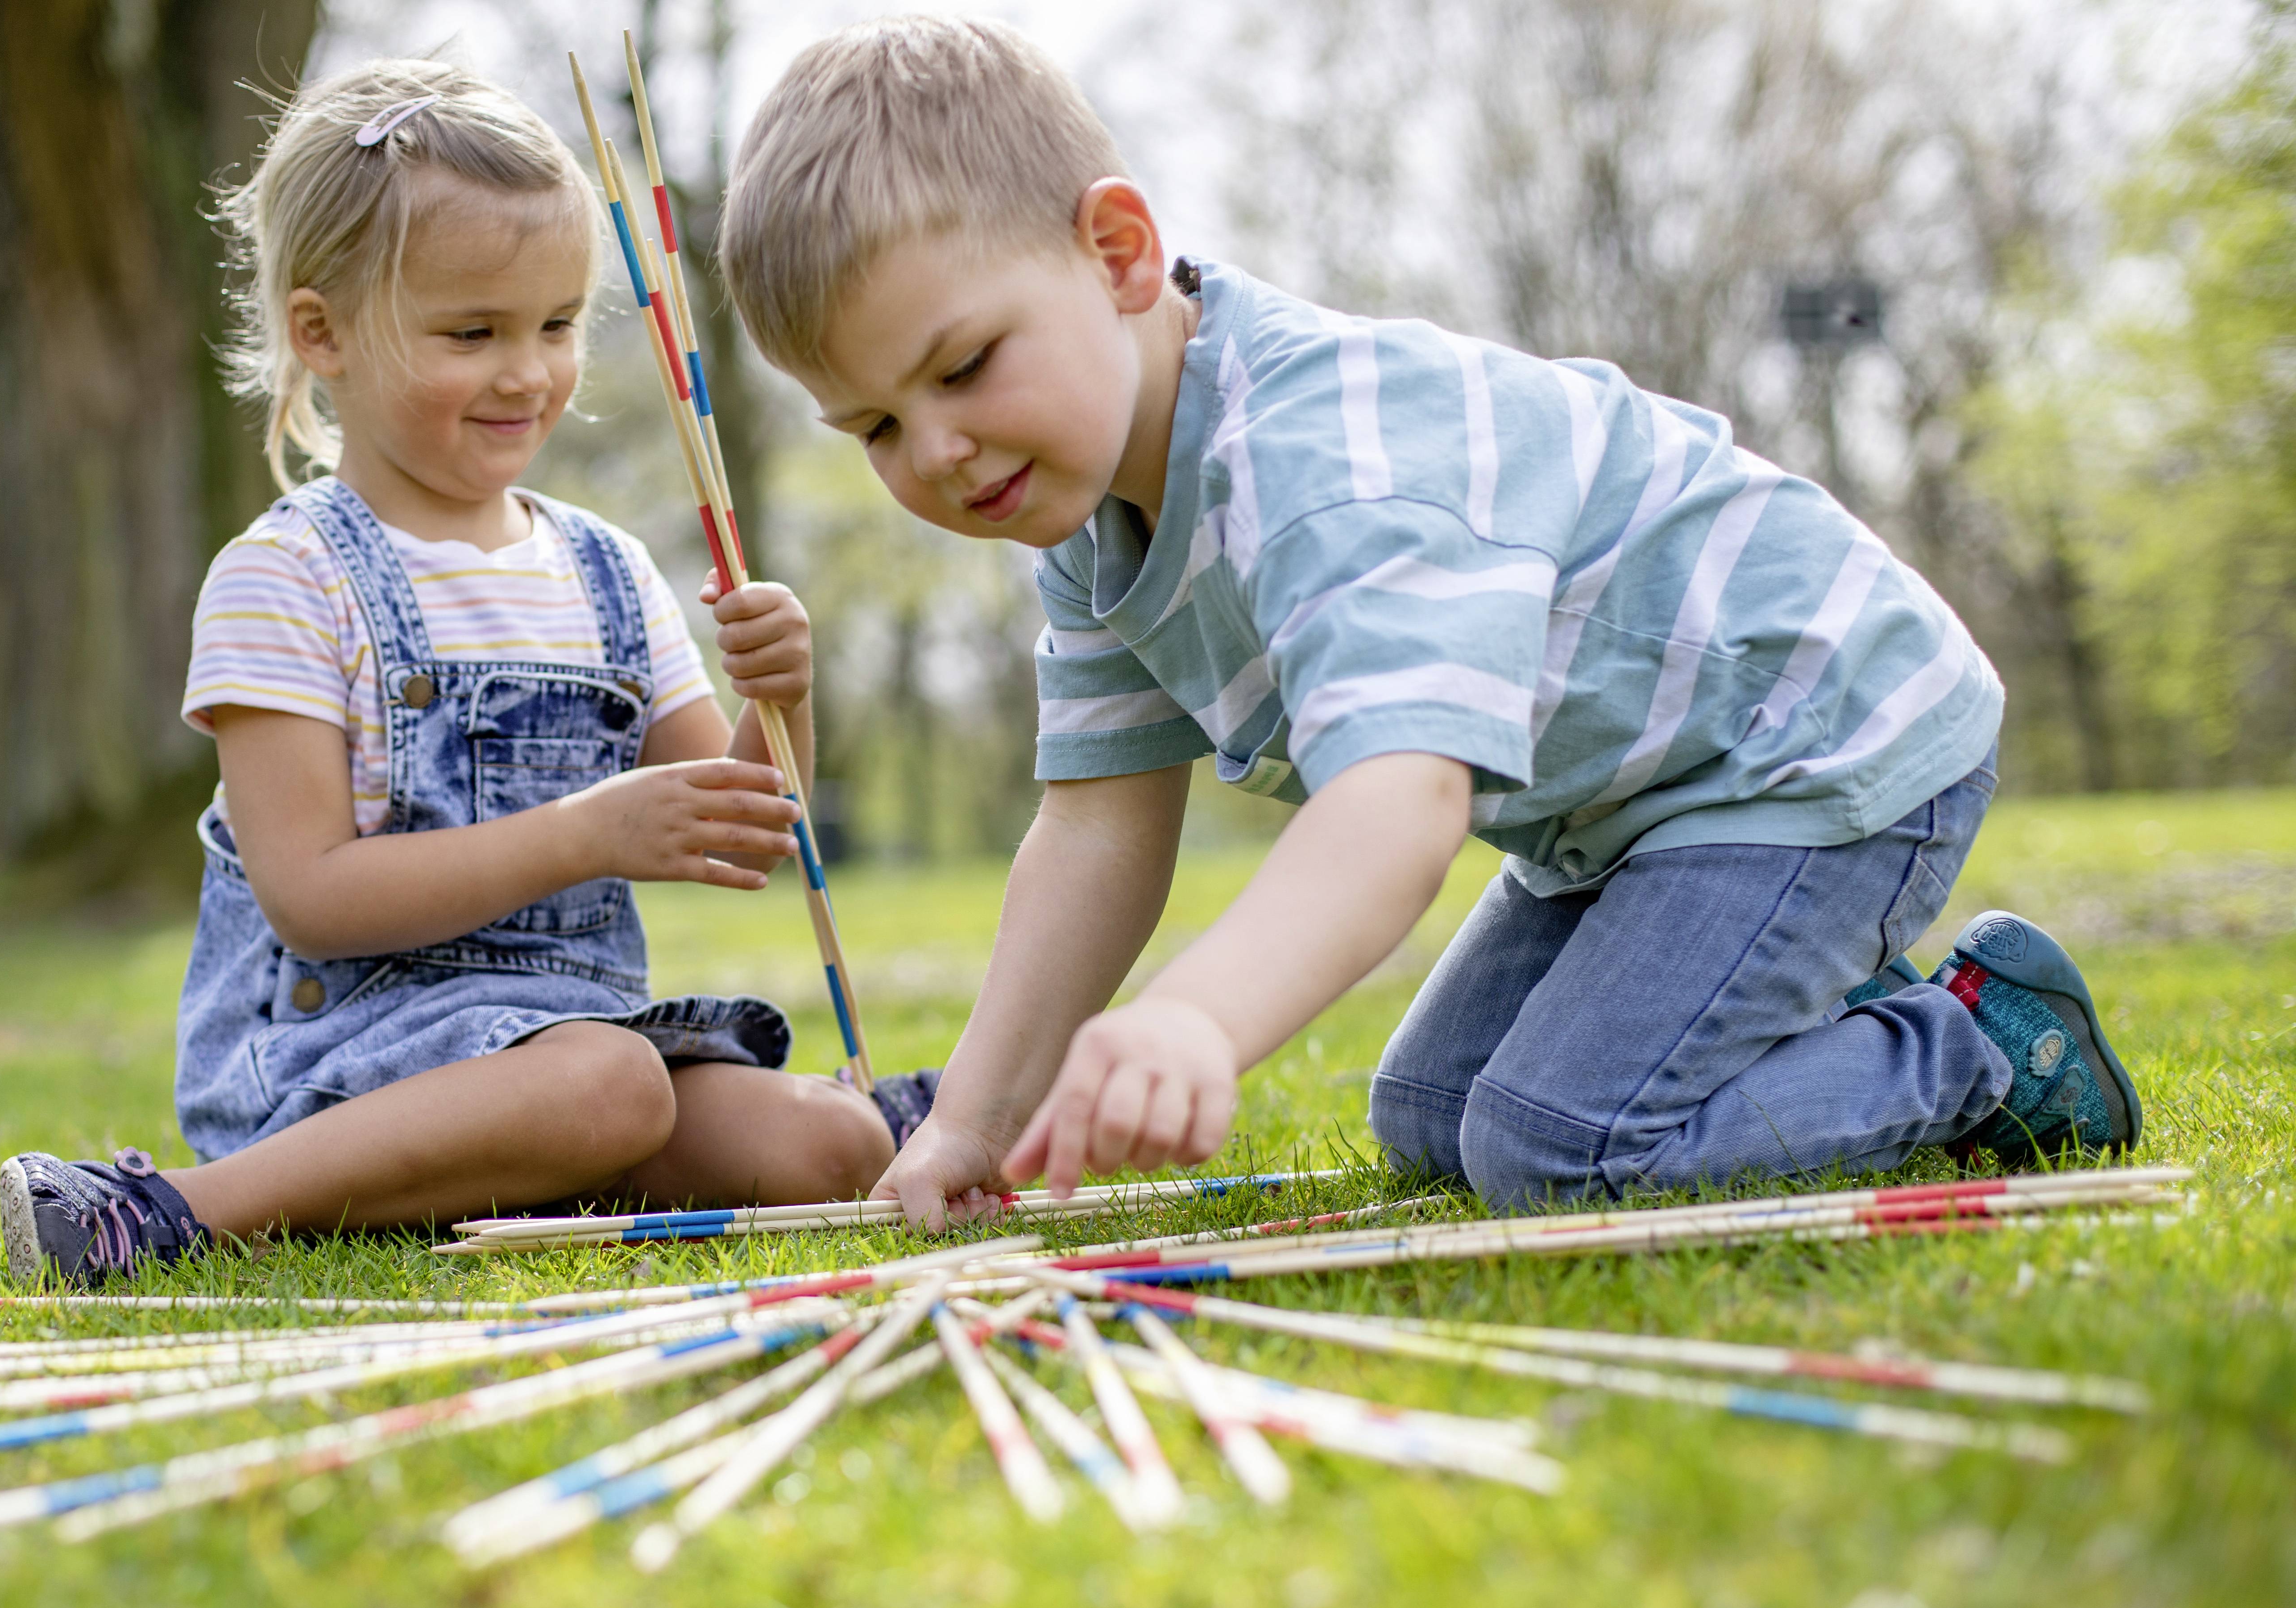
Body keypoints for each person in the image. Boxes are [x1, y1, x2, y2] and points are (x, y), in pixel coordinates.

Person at [714, 16, 2139, 1228]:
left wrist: (1196, 1017)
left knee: (1560, 1145)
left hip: (1812, 748)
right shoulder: (1096, 530)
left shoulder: (1331, 464)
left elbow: (1402, 804)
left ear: (1120, 250)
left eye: (964, 367)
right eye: (877, 427)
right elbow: (1095, 830)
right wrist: (970, 1121)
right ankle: (1788, 999)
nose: (939, 452)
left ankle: (1981, 1046)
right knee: (1435, 1114)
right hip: (1637, 811)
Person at [0, 61, 932, 1287]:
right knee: (604, 1085)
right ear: (320, 332)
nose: (527, 374)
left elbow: (745, 839)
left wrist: (781, 698)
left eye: (555, 327)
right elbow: (314, 898)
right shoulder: (287, 576)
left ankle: (562, 1154)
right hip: (340, 1056)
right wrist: (588, 832)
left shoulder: (606, 570)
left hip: (575, 1045)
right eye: (471, 333)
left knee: (828, 1141)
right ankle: (168, 1211)